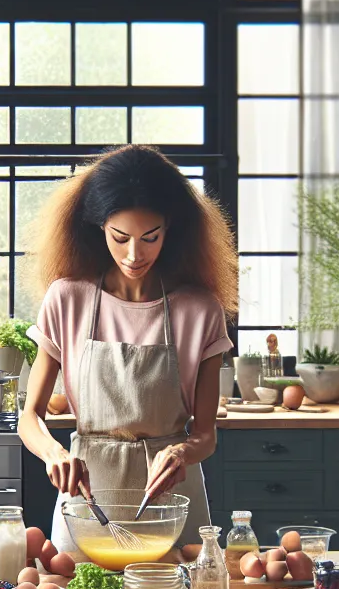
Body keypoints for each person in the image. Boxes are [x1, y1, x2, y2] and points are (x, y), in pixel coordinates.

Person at [18, 145, 238, 554]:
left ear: (171, 229)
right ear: (97, 227)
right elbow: (29, 415)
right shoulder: (67, 300)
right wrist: (54, 453)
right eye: (120, 238)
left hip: (172, 504)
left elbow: (206, 435)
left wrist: (182, 450)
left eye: (150, 238)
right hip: (88, 503)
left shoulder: (200, 310)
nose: (135, 255)